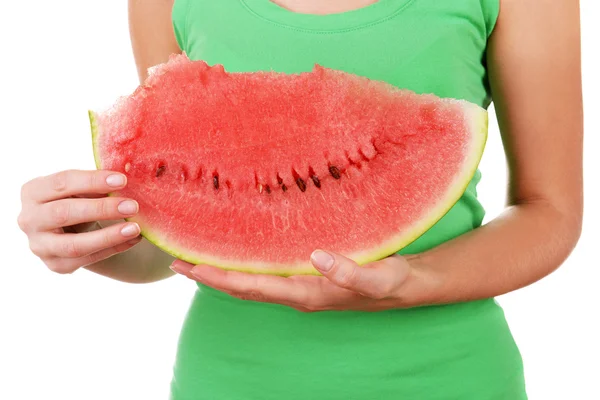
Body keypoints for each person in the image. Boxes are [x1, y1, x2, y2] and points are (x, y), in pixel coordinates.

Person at [18, 0, 583, 398]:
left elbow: (549, 210)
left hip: (448, 380)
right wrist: (96, 240)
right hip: (230, 381)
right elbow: (193, 221)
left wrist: (416, 279)